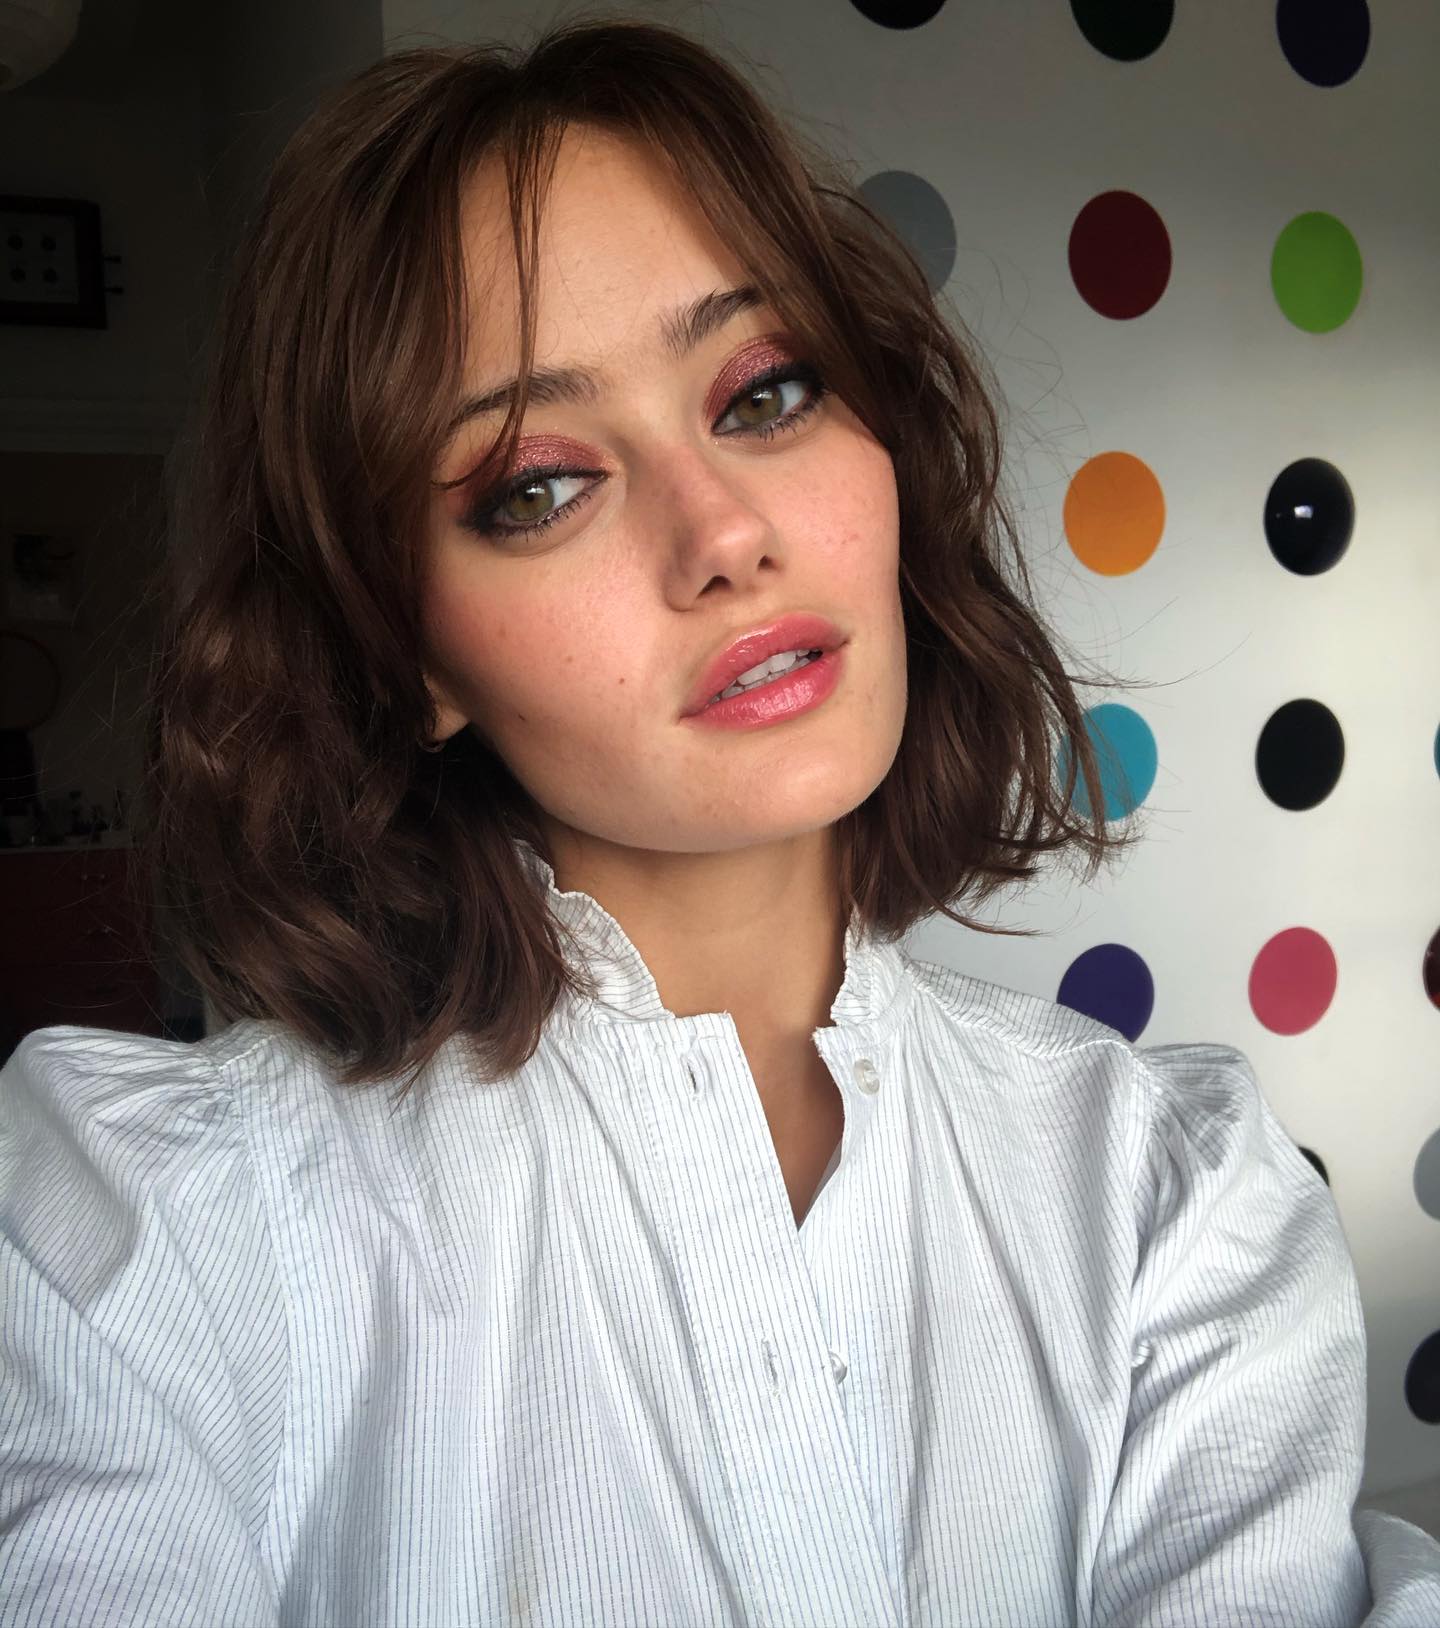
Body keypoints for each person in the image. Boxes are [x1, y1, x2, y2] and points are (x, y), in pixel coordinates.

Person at [3, 16, 1438, 1627]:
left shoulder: (1179, 1194)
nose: (726, 536)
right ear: (409, 655)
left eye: (765, 392)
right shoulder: (151, 1231)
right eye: (539, 485)